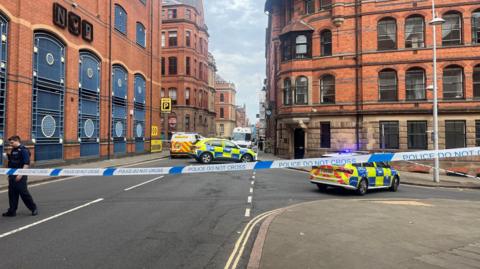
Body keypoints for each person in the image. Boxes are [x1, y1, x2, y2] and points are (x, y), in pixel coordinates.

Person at [2, 135, 38, 217]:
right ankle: (12, 211)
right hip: (12, 175)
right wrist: (9, 174)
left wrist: (20, 174)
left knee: (23, 193)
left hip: (20, 175)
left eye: (12, 142)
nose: (11, 144)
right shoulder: (13, 150)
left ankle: (33, 208)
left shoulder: (23, 150)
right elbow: (11, 163)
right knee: (12, 194)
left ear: (17, 141)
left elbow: (26, 164)